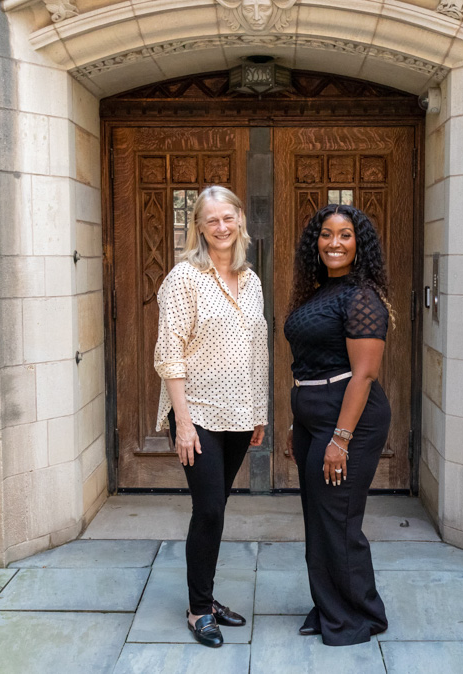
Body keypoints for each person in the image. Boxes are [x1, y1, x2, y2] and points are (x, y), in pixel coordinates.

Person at [153, 186, 268, 648]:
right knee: (210, 510)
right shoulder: (185, 278)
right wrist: (182, 422)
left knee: (216, 511)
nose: (221, 227)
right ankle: (199, 609)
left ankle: (206, 595)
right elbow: (169, 352)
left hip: (241, 413)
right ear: (198, 227)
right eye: (211, 220)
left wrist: (259, 412)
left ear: (240, 219)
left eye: (228, 217)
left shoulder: (252, 279)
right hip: (197, 413)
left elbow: (256, 352)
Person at [283, 204, 393, 646]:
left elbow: (363, 375)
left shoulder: (360, 297)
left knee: (339, 520)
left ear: (358, 244)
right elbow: (308, 362)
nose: (333, 242)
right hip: (313, 413)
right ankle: (331, 605)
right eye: (326, 234)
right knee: (319, 519)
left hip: (349, 417)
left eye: (345, 235)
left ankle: (357, 619)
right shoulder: (317, 294)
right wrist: (299, 423)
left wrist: (340, 439)